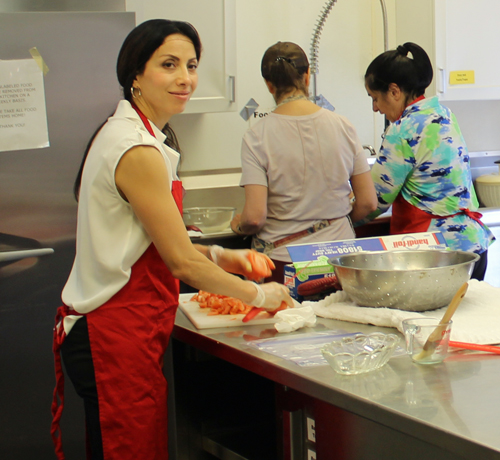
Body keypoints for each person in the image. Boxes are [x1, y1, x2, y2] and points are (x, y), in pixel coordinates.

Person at [50, 19, 292, 460]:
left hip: (125, 334)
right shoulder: (136, 149)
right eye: (169, 64)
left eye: (192, 65)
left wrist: (219, 255)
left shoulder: (136, 134)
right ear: (135, 75)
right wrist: (260, 293)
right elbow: (180, 263)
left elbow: (149, 243)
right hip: (114, 337)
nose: (185, 78)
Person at [230, 41, 378, 283]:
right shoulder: (343, 125)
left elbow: (254, 218)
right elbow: (368, 203)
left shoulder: (256, 136)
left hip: (284, 264)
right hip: (342, 260)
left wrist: (239, 226)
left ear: (269, 85)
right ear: (307, 76)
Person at [360, 41, 495, 280]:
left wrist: (336, 221)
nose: (375, 108)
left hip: (434, 253)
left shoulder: (401, 130)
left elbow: (374, 202)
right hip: (473, 247)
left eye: (375, 98)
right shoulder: (444, 114)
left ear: (394, 91)